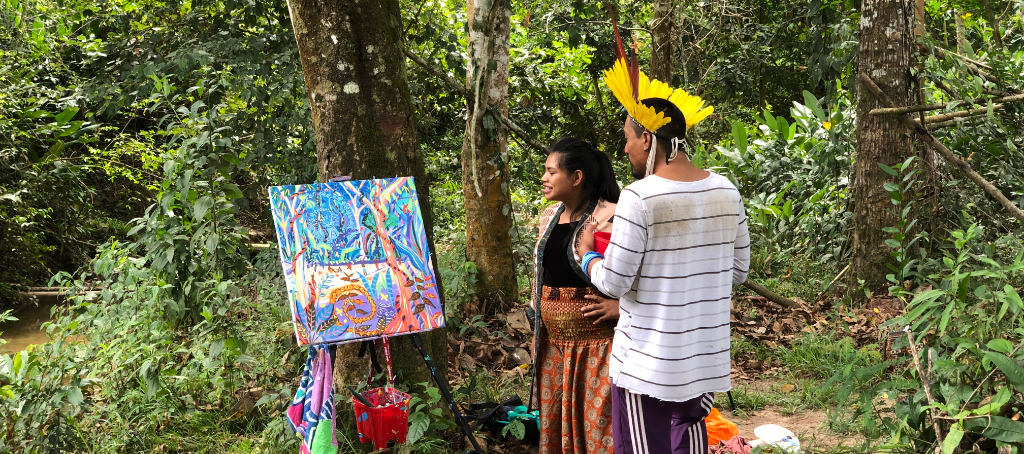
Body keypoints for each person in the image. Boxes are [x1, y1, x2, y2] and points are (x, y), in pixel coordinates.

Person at [576, 45, 750, 454]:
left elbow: (616, 282)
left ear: (648, 138)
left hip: (646, 364)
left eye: (627, 140)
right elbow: (738, 272)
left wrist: (588, 255)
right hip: (702, 360)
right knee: (689, 439)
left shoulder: (640, 197)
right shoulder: (727, 190)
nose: (625, 150)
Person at [527, 137, 621, 453]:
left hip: (597, 347)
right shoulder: (549, 215)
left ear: (576, 177)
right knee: (557, 425)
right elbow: (540, 274)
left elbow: (638, 270)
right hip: (554, 347)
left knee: (597, 428)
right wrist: (536, 327)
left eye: (551, 172)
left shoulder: (612, 215)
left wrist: (619, 306)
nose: (544, 178)